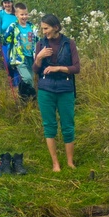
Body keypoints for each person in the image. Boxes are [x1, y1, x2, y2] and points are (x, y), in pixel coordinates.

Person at [33, 14, 81, 171]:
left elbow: (76, 68)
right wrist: (39, 58)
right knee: (49, 125)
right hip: (45, 89)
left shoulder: (69, 43)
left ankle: (70, 161)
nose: (44, 32)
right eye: (42, 29)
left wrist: (58, 68)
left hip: (65, 88)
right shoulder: (41, 44)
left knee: (68, 125)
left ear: (56, 27)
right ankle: (55, 163)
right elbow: (36, 70)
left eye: (46, 28)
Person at [3, 2, 37, 94]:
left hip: (31, 57)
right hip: (19, 59)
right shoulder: (13, 27)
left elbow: (38, 40)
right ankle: (31, 95)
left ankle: (25, 98)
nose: (24, 17)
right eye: (22, 14)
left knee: (31, 79)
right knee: (27, 78)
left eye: (26, 14)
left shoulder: (32, 27)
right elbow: (6, 39)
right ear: (16, 14)